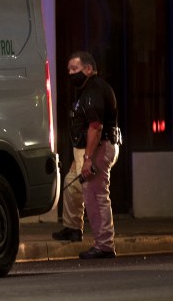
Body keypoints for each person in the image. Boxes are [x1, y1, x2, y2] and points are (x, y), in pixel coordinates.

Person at [52, 51, 121, 259]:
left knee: (95, 194)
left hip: (98, 148)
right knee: (73, 183)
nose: (71, 73)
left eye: (75, 69)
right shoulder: (86, 91)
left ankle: (104, 245)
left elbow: (95, 127)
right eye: (69, 70)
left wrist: (88, 159)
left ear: (88, 69)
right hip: (86, 149)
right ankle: (73, 228)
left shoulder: (94, 90)